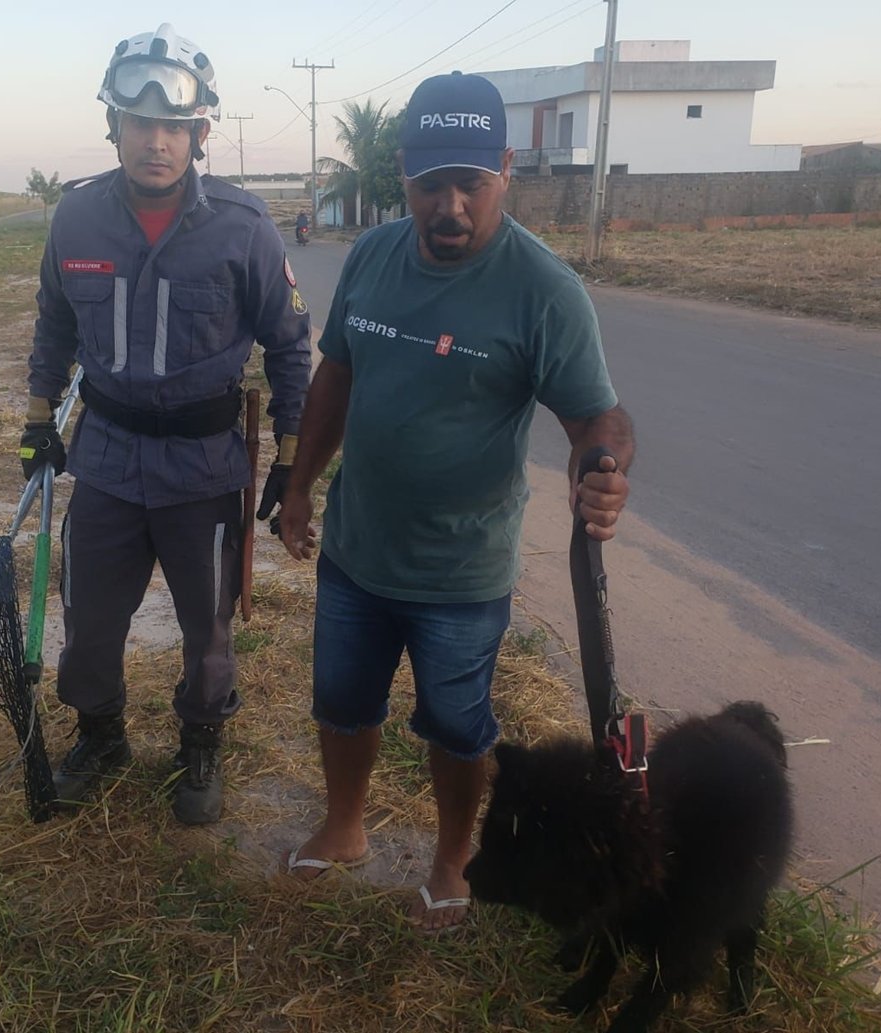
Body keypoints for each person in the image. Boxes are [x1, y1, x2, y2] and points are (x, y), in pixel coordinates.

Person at [276, 71, 634, 931]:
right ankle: (347, 823)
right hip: (358, 551)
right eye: (431, 184)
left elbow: (595, 414)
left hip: (463, 570)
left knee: (456, 724)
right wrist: (296, 484)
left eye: (471, 184)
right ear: (401, 172)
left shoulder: (543, 290)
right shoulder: (371, 254)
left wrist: (606, 467)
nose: (450, 207)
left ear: (505, 167)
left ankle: (451, 855)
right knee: (342, 701)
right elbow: (338, 372)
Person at [20, 23, 311, 824]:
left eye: (174, 128)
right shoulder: (74, 221)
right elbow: (53, 324)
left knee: (207, 629)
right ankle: (102, 734)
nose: (156, 141)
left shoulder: (244, 229)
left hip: (203, 469)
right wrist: (38, 418)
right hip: (107, 460)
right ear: (112, 125)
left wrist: (291, 457)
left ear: (200, 133)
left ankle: (201, 742)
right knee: (87, 622)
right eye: (139, 123)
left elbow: (290, 347)